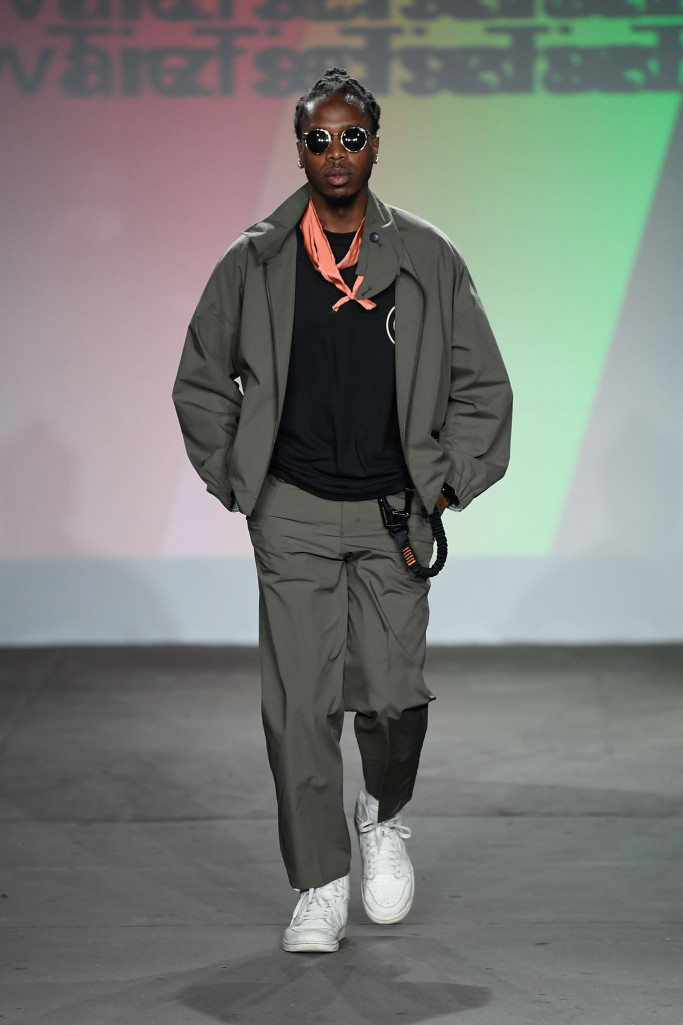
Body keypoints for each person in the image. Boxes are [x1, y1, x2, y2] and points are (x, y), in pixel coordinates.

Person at [173, 68, 512, 954]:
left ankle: (382, 813)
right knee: (300, 708)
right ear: (299, 148)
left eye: (350, 137)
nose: (335, 153)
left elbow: (482, 385)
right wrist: (240, 478)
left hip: (394, 514)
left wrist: (447, 484)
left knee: (395, 698)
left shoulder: (427, 258)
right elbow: (202, 379)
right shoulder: (254, 261)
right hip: (290, 510)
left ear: (374, 144)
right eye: (318, 138)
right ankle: (318, 883)